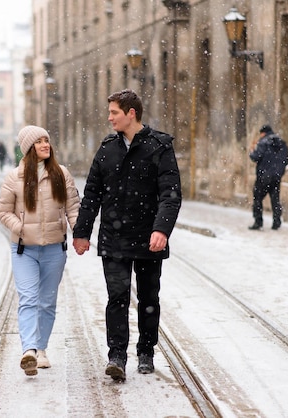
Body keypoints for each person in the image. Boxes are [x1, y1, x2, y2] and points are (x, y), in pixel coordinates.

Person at [72, 89, 182, 381]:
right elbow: (92, 194)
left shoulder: (160, 146)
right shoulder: (107, 148)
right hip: (114, 238)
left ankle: (146, 352)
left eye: (114, 113)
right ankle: (117, 356)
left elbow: (170, 194)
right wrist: (82, 232)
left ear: (131, 113)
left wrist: (162, 229)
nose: (109, 118)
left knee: (148, 297)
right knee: (117, 297)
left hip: (148, 238)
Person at [0, 125, 80, 377]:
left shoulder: (61, 174)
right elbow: (3, 211)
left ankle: (41, 350)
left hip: (55, 249)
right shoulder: (14, 177)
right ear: (28, 149)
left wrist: (79, 235)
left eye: (47, 140)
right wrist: (19, 227)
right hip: (24, 250)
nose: (46, 145)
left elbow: (73, 208)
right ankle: (29, 350)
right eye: (39, 142)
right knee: (29, 300)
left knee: (47, 303)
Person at [248, 125, 288, 230]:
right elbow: (286, 159)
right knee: (275, 198)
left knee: (257, 198)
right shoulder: (281, 143)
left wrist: (252, 151)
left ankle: (258, 222)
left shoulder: (263, 142)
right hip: (276, 176)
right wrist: (279, 171)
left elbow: (256, 157)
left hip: (264, 175)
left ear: (263, 133)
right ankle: (277, 221)